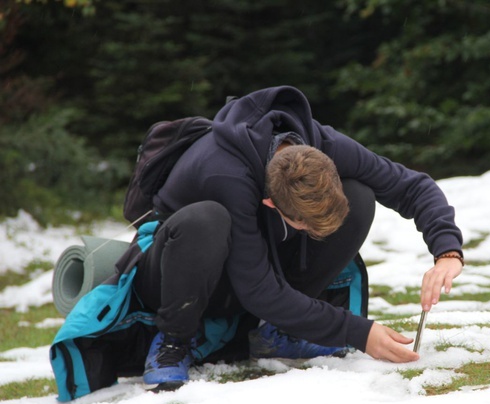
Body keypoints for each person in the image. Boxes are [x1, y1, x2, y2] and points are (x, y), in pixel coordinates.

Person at [135, 86, 464, 386]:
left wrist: (447, 252)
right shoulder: (224, 173)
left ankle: (278, 331)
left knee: (360, 196)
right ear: (270, 203)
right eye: (305, 226)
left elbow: (412, 185)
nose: (314, 236)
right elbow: (258, 290)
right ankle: (173, 341)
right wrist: (357, 332)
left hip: (250, 253)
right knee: (206, 221)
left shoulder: (325, 144)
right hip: (175, 270)